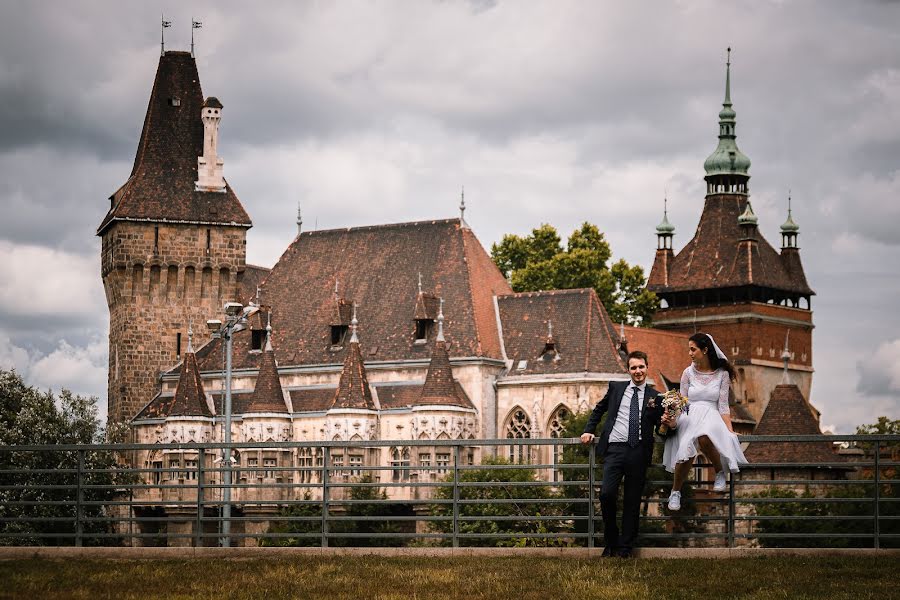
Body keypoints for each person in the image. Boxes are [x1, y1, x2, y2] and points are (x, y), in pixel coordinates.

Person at [580, 350, 673, 558]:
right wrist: (588, 429)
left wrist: (669, 424)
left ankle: (625, 547)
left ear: (647, 367)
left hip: (638, 451)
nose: (638, 371)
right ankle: (611, 542)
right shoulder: (616, 388)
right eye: (633, 367)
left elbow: (660, 429)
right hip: (614, 449)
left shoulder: (656, 397)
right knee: (606, 494)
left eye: (641, 367)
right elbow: (599, 409)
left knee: (632, 501)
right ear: (628, 370)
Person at [663, 332, 748, 511]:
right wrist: (673, 421)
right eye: (689, 349)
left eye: (693, 349)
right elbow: (682, 401)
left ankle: (719, 472)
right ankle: (675, 492)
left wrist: (729, 430)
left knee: (704, 436)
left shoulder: (722, 374)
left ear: (705, 350)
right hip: (690, 414)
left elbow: (723, 406)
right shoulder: (687, 373)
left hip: (712, 413)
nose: (690, 353)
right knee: (686, 446)